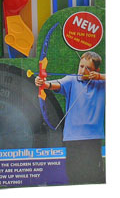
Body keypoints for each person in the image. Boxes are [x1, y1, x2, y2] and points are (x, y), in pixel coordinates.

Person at [35, 51, 106, 184]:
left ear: (96, 70)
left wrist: (100, 77)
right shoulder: (72, 80)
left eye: (88, 68)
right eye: (81, 66)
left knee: (95, 176)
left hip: (93, 138)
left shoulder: (102, 84)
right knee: (74, 175)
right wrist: (43, 83)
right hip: (73, 138)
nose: (82, 71)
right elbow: (55, 84)